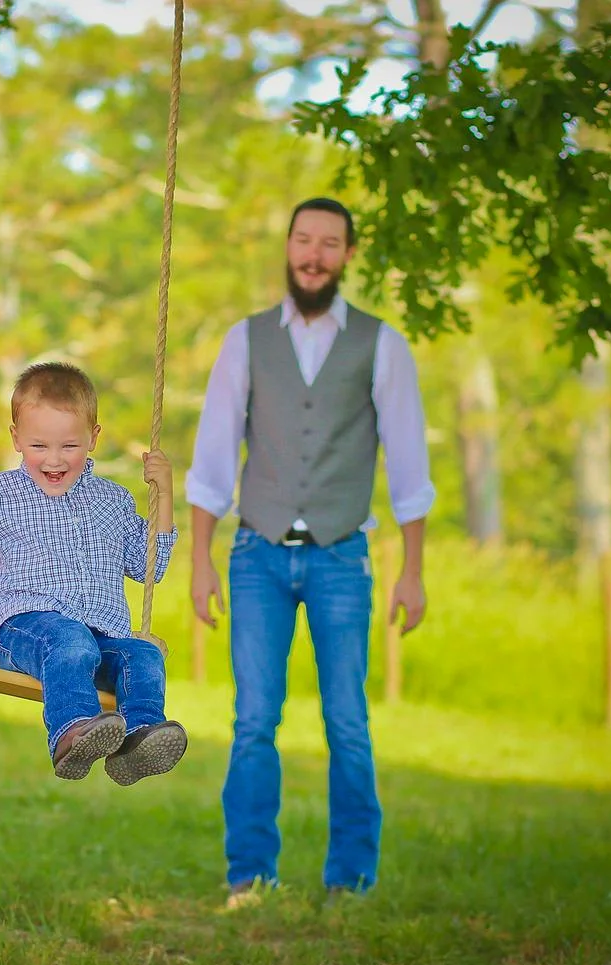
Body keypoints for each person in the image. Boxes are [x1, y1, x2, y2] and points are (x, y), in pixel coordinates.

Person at [186, 197, 435, 903]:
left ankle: (351, 879)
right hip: (257, 554)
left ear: (348, 256)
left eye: (329, 243)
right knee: (254, 722)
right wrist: (201, 559)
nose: (314, 255)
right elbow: (211, 457)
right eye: (303, 240)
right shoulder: (246, 339)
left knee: (347, 723)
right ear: (287, 248)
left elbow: (410, 466)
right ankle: (249, 876)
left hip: (340, 557)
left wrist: (412, 573)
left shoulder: (382, 345)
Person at [0, 361, 188, 785]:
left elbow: (148, 566)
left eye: (69, 446)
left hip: (101, 634)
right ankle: (71, 734)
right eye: (38, 445)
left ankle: (137, 741)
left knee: (143, 655)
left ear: (93, 438)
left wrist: (165, 493)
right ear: (16, 438)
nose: (53, 460)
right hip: (26, 631)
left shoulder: (113, 501)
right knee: (70, 638)